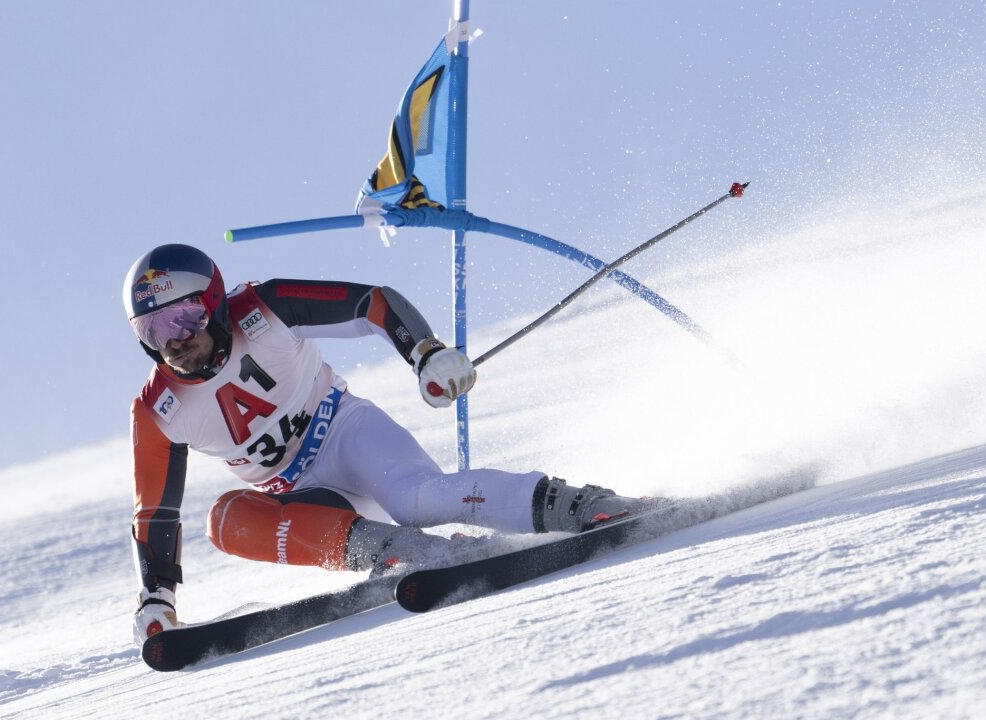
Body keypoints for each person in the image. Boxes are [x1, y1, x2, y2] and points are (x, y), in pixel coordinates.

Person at [125, 244, 656, 643]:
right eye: (154, 330)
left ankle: (583, 505)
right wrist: (157, 598)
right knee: (224, 521)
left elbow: (370, 303)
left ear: (214, 304)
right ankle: (406, 554)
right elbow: (154, 512)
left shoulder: (263, 309)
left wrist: (425, 353)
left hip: (349, 436)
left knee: (414, 498)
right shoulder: (157, 411)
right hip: (310, 500)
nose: (175, 340)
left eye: (185, 316)